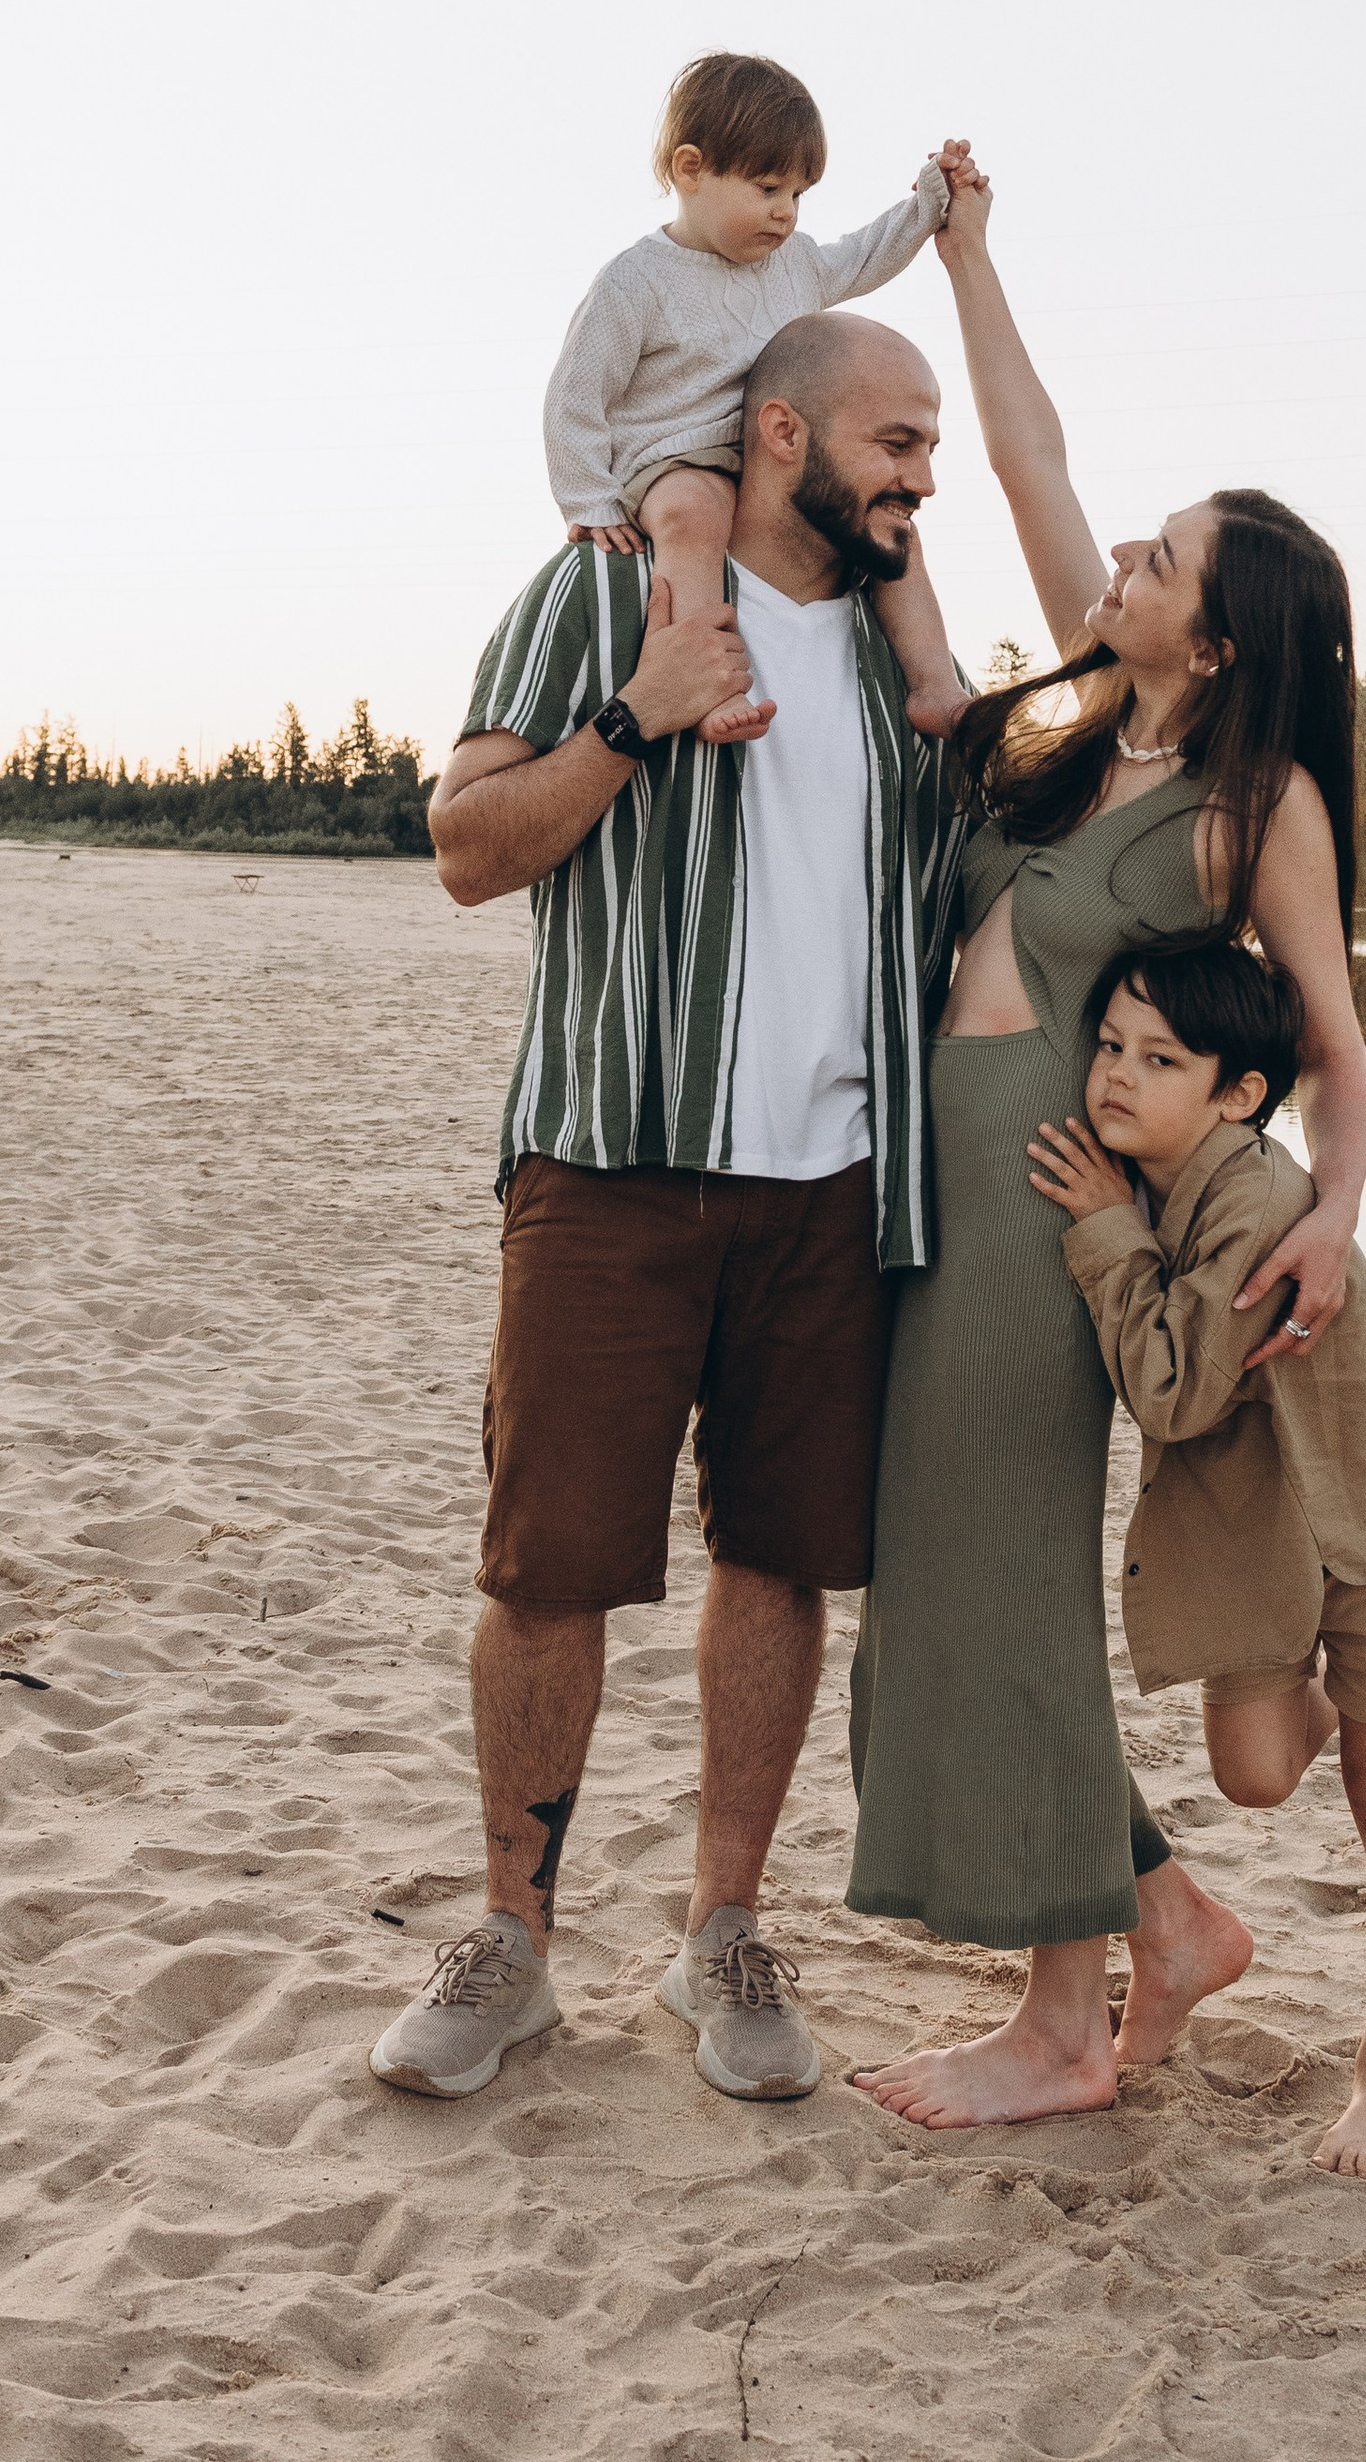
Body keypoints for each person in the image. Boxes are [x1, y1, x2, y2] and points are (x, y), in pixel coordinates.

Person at [368, 305, 966, 2107]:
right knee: (550, 1568)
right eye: (898, 441)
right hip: (609, 1160)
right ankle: (512, 1945)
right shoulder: (607, 584)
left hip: (836, 1194)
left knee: (777, 1562)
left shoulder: (897, 658)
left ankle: (722, 1934)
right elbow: (469, 853)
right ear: (783, 434)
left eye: (932, 447)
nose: (921, 479)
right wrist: (641, 713)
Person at [847, 153, 1366, 2131]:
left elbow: (1336, 1055)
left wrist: (1323, 1222)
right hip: (935, 1172)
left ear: (1221, 633)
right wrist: (973, 260)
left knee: (995, 1569)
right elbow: (1020, 457)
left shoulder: (1259, 811)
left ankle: (1071, 2015)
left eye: (1156, 559)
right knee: (941, 1565)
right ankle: (1153, 1926)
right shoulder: (1083, 736)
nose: (1117, 566)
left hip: (1051, 1201)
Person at [1028, 943, 1366, 2181]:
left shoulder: (1244, 1200)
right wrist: (1121, 1212)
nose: (1116, 1076)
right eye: (1111, 1046)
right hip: (1258, 1542)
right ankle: (1363, 1711)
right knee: (1254, 1776)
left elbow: (1172, 1394)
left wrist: (1105, 1236)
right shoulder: (1150, 1170)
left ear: (1237, 1093)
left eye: (1159, 1059)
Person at [543, 49, 969, 738]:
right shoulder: (636, 282)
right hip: (674, 458)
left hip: (771, 458)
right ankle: (699, 684)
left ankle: (934, 687)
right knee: (693, 517)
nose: (786, 214)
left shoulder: (792, 264)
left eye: (798, 195)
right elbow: (576, 396)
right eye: (767, 188)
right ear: (691, 171)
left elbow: (864, 256)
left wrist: (928, 204)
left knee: (888, 532)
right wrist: (588, 498)